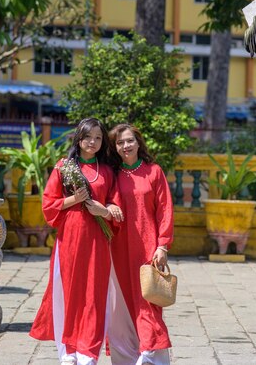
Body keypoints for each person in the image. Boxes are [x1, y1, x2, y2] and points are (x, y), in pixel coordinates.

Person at [30, 117, 124, 365]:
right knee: (69, 292)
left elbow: (115, 203)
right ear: (78, 138)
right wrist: (74, 199)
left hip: (98, 240)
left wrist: (103, 211)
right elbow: (48, 205)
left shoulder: (106, 170)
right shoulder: (63, 167)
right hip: (70, 239)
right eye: (87, 137)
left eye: (98, 138)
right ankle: (68, 351)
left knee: (95, 293)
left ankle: (88, 351)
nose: (92, 142)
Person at [107, 123, 174, 365]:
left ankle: (150, 354)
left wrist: (162, 245)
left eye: (130, 141)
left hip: (148, 247)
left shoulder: (154, 172)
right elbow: (108, 206)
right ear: (114, 147)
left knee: (147, 302)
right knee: (122, 305)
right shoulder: (112, 175)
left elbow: (165, 210)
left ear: (138, 143)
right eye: (120, 142)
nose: (126, 146)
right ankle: (127, 356)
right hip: (119, 248)